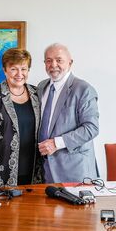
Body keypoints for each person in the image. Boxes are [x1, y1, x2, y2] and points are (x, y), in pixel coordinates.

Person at [0, 48, 44, 189]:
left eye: (24, 69)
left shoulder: (37, 94)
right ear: (5, 70)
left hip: (32, 169)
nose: (19, 74)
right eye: (14, 69)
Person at [37, 43, 99, 183]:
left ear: (70, 63)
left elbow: (91, 128)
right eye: (48, 60)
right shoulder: (41, 87)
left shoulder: (83, 89)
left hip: (74, 172)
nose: (53, 64)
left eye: (59, 60)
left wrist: (56, 143)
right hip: (44, 171)